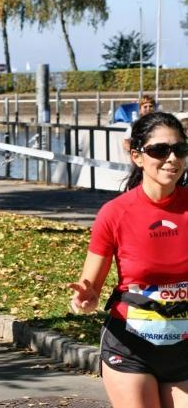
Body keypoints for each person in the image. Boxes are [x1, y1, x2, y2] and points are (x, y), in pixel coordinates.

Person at [69, 112, 188, 408]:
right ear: (137, 156)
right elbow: (90, 287)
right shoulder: (115, 213)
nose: (172, 158)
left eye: (180, 149)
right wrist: (86, 299)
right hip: (130, 347)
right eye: (160, 150)